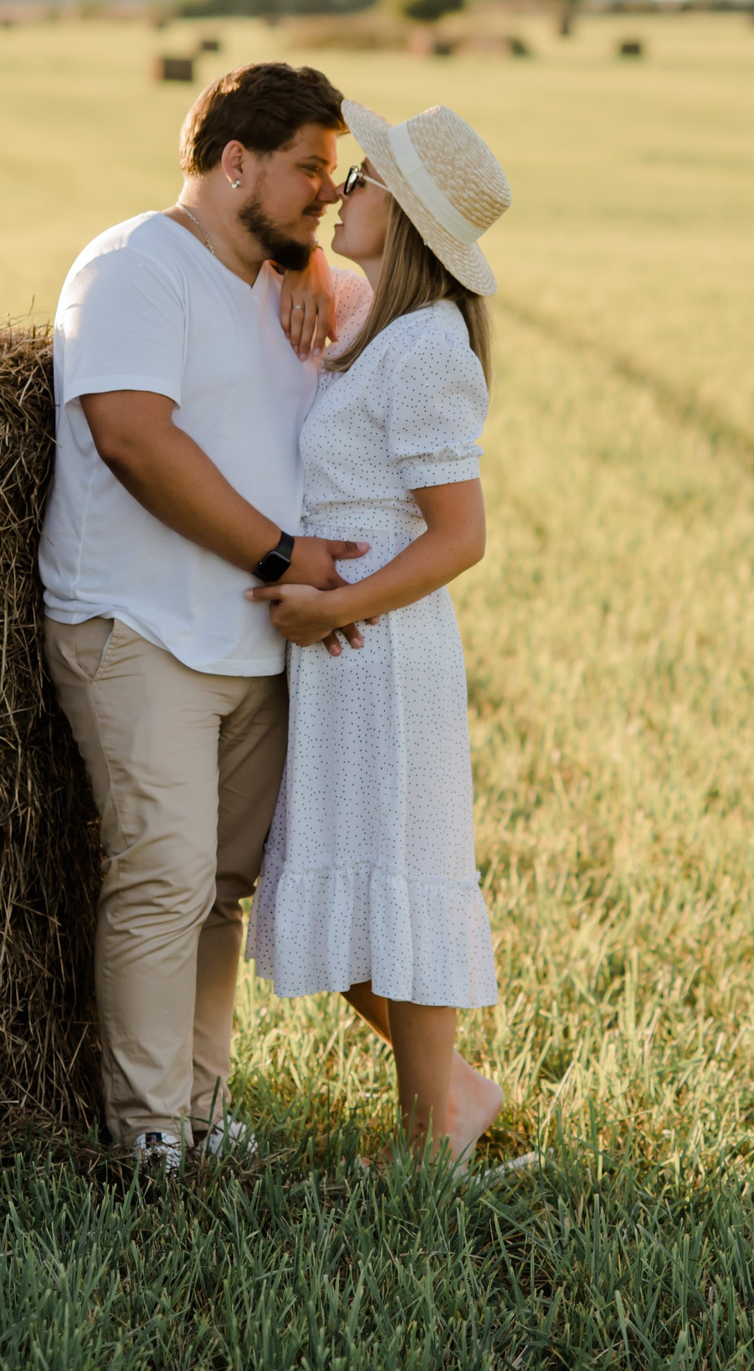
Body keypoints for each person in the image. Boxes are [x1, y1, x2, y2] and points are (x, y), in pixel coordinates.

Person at [38, 62, 370, 1170]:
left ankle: (199, 1112)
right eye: (310, 171)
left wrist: (313, 251)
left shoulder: (285, 278)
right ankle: (146, 1138)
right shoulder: (133, 265)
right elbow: (135, 439)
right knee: (164, 875)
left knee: (220, 890)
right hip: (139, 628)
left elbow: (387, 301)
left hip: (255, 640)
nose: (329, 190)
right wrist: (288, 556)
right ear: (235, 162)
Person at [244, 99, 512, 1164]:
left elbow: (460, 536)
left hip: (382, 652)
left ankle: (430, 1132)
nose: (340, 190)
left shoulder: (430, 348)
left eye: (362, 181)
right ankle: (456, 1096)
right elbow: (266, 266)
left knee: (393, 883)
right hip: (340, 652)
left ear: (403, 217)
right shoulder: (375, 329)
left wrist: (335, 605)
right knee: (340, 880)